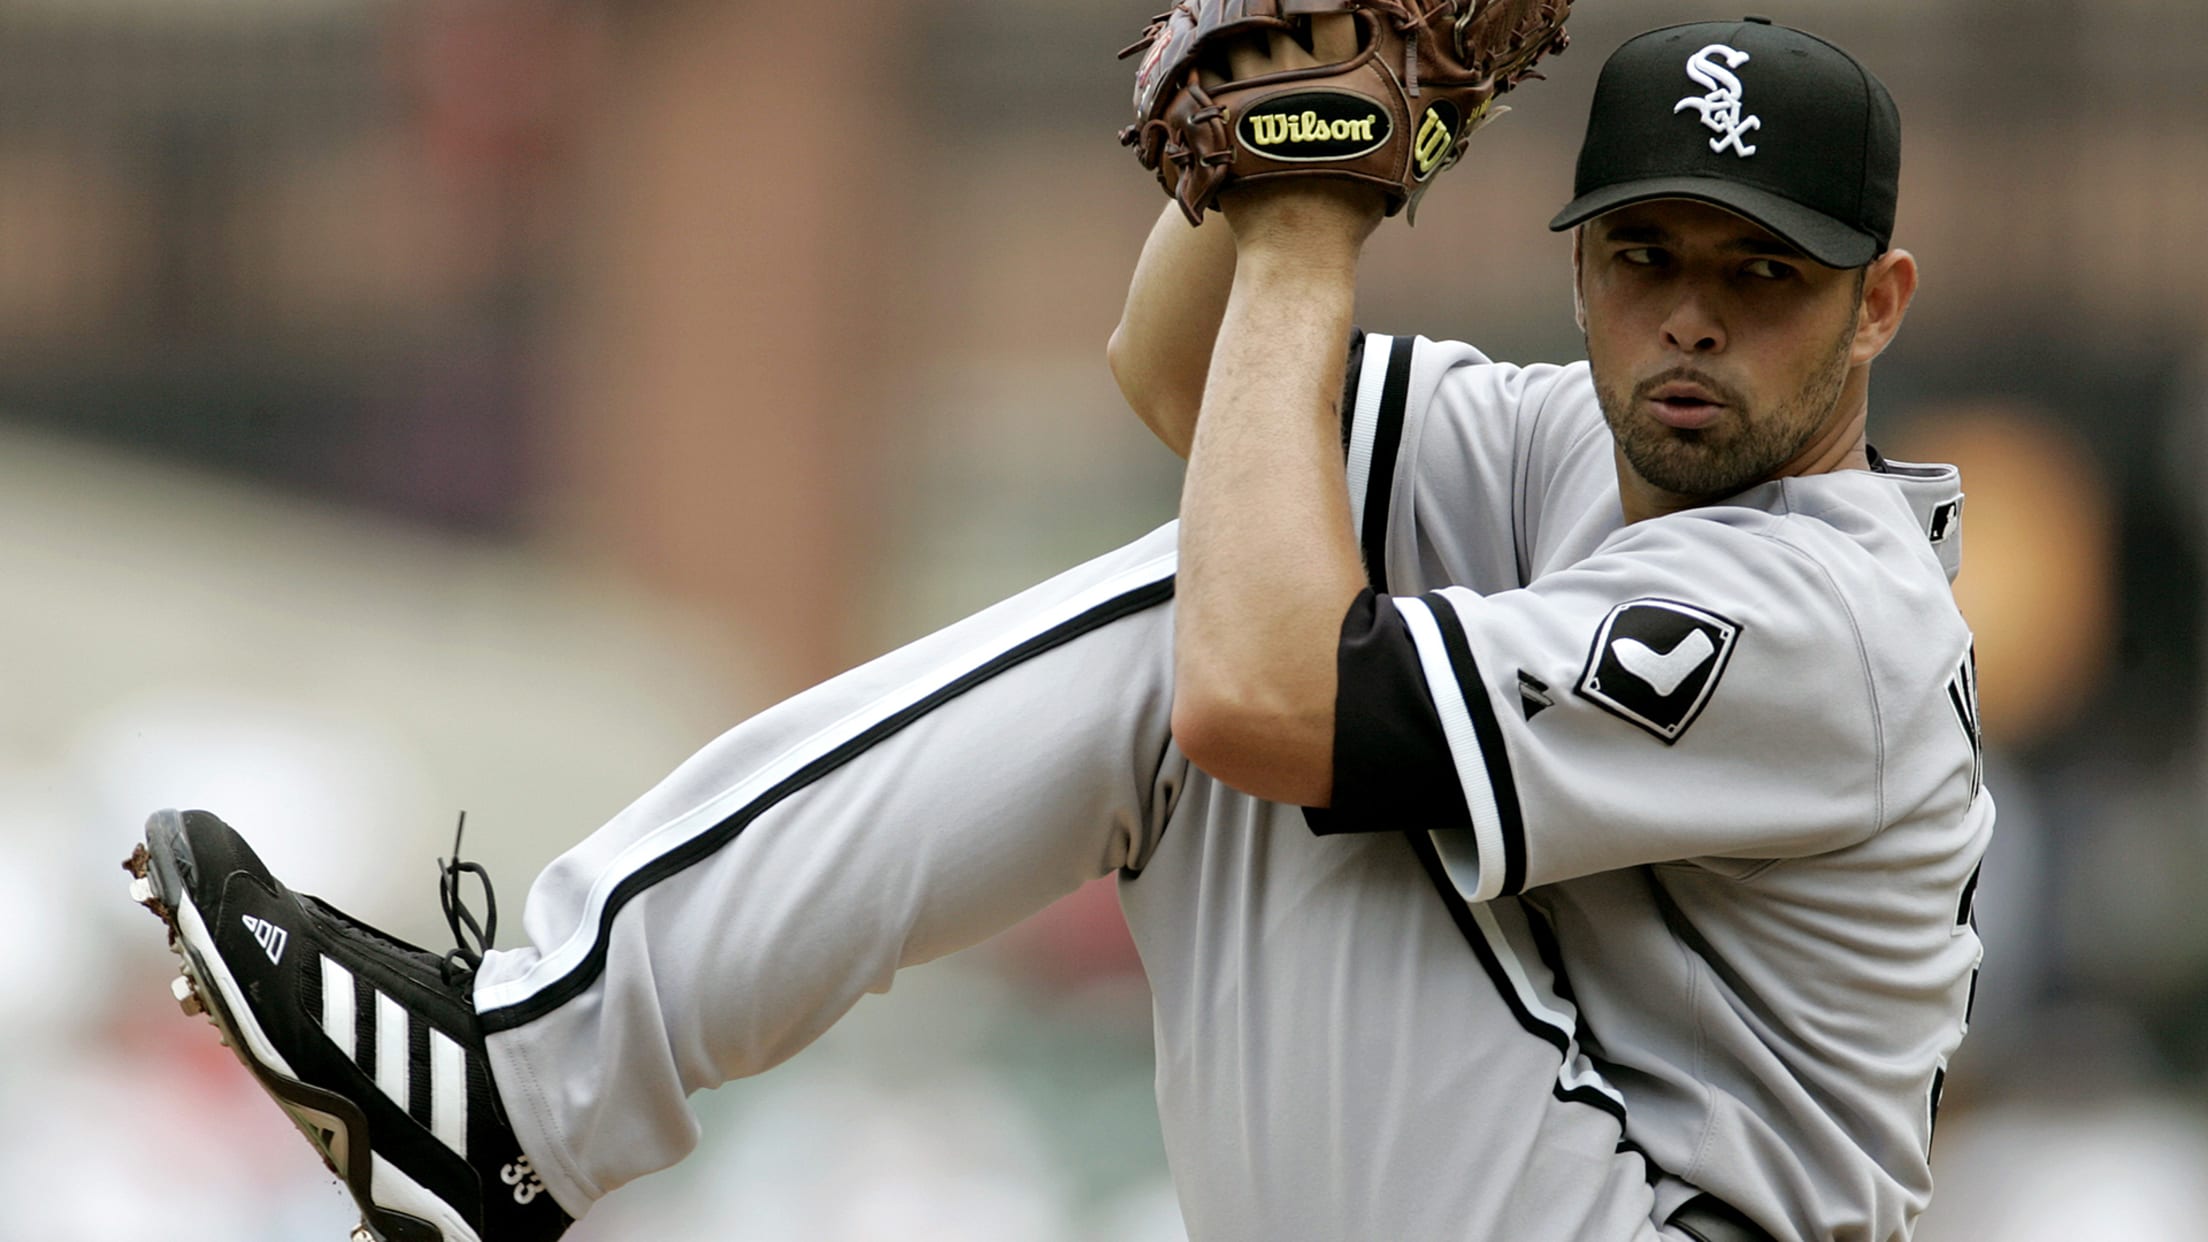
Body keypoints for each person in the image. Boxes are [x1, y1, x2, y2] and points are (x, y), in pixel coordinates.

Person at [127, 16, 1989, 1242]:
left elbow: (1257, 688)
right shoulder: (1554, 445)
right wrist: (1292, 166)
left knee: (1237, 670)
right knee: (1244, 596)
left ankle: (528, 1080)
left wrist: (1320, 202)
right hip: (1531, 1177)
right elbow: (1184, 381)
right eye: (1648, 256)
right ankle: (530, 1084)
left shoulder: (1839, 615)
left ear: (1878, 304)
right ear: (1582, 259)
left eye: (1762, 274)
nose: (1690, 317)